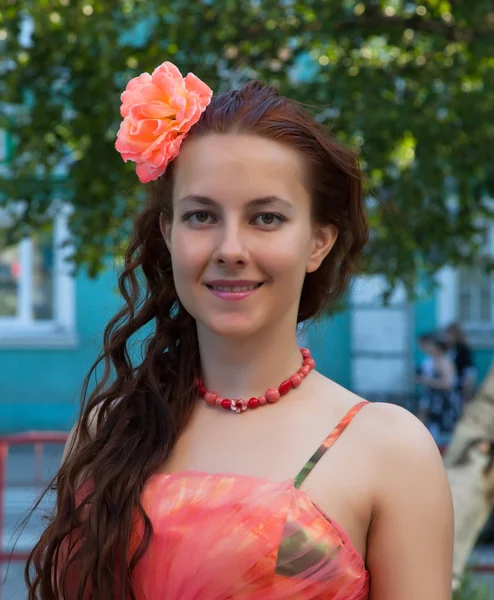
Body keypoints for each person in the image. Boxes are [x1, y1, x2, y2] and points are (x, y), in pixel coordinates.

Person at [25, 61, 453, 599]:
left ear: (318, 241)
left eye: (266, 218)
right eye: (202, 216)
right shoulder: (107, 432)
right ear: (169, 232)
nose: (230, 249)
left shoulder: (388, 450)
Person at [416, 333, 460, 442]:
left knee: (442, 435)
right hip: (435, 403)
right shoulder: (435, 360)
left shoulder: (444, 361)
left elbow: (449, 383)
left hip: (443, 404)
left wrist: (427, 381)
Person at [445, 322, 476, 405]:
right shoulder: (451, 348)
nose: (447, 337)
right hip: (454, 382)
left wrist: (467, 385)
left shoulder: (463, 348)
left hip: (462, 382)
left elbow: (469, 368)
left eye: (449, 335)